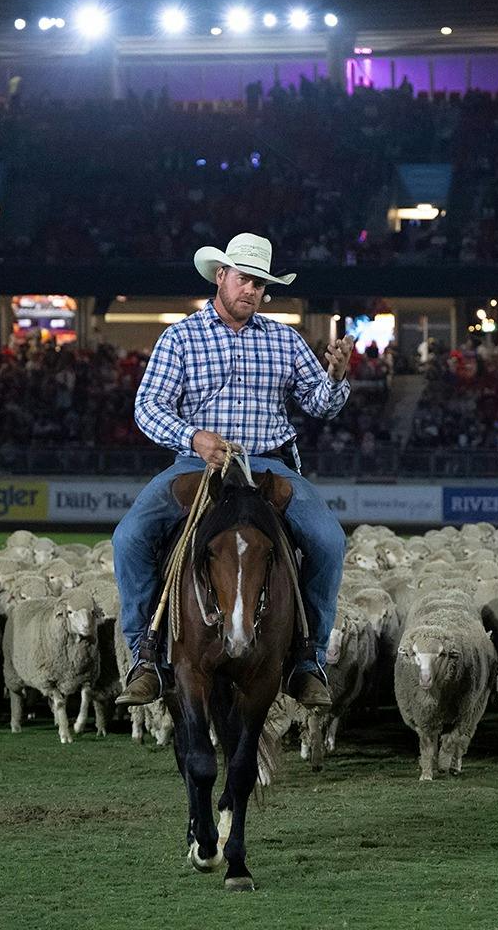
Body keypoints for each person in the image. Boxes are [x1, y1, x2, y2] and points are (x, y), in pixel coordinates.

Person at [113, 232, 352, 710]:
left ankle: (309, 660)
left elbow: (320, 405)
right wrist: (194, 438)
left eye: (261, 285)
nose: (252, 292)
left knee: (330, 541)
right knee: (129, 537)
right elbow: (147, 407)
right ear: (220, 276)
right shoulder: (180, 336)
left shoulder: (285, 339)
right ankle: (145, 655)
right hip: (196, 463)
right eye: (245, 280)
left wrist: (337, 377)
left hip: (268, 463)